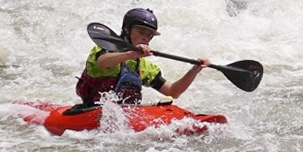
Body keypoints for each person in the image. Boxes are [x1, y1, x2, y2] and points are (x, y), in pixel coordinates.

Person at [75, 8, 207, 107]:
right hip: (91, 112)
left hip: (124, 117)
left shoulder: (142, 66)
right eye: (141, 32)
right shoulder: (104, 51)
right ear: (127, 30)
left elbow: (173, 91)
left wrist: (194, 70)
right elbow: (102, 63)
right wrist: (131, 54)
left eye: (150, 35)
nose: (146, 38)